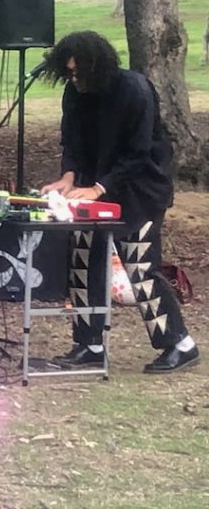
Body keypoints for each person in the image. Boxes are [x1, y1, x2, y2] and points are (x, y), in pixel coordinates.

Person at [39, 31, 198, 373]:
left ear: (97, 65)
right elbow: (73, 144)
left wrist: (99, 188)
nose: (74, 80)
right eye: (68, 74)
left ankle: (179, 343)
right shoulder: (74, 94)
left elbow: (138, 153)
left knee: (139, 266)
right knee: (82, 263)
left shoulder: (135, 90)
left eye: (78, 73)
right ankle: (89, 344)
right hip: (91, 188)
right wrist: (68, 177)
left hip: (140, 189)